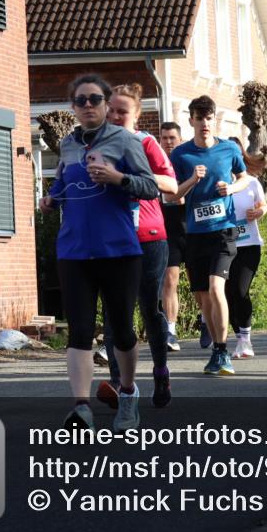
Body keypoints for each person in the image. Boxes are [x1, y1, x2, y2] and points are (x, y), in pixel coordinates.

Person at [39, 74, 159, 431]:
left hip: (118, 250)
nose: (88, 106)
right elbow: (64, 183)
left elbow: (150, 188)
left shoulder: (124, 141)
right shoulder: (68, 145)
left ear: (107, 105)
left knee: (121, 330)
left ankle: (127, 393)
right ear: (73, 107)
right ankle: (81, 408)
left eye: (94, 99)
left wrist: (118, 178)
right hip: (74, 251)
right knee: (79, 330)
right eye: (81, 101)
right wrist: (51, 198)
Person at [94, 84, 178, 411]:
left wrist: (130, 174)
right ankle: (118, 383)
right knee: (115, 313)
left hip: (148, 236)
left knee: (149, 308)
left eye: (122, 111)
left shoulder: (146, 143)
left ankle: (160, 371)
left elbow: (171, 187)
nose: (115, 116)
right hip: (112, 238)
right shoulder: (97, 144)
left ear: (137, 114)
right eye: (111, 109)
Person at [168, 95, 251, 376]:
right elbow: (172, 193)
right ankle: (217, 348)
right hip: (195, 234)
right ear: (191, 120)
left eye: (208, 118)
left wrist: (231, 188)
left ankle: (222, 350)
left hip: (223, 232)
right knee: (204, 299)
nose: (204, 123)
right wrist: (192, 179)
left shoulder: (228, 149)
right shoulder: (180, 155)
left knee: (217, 289)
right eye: (199, 118)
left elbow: (246, 178)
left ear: (214, 120)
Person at [226, 138, 267, 359]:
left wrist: (259, 213)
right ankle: (238, 338)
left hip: (249, 244)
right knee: (227, 293)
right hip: (224, 244)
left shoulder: (251, 182)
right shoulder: (219, 182)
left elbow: (263, 205)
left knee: (240, 290)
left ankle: (246, 339)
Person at [158, 121, 186, 351]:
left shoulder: (187, 161)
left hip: (192, 226)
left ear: (180, 139)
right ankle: (171, 331)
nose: (168, 142)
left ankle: (207, 321)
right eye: (164, 138)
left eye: (172, 138)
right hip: (168, 227)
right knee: (170, 279)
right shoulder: (155, 164)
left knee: (204, 285)